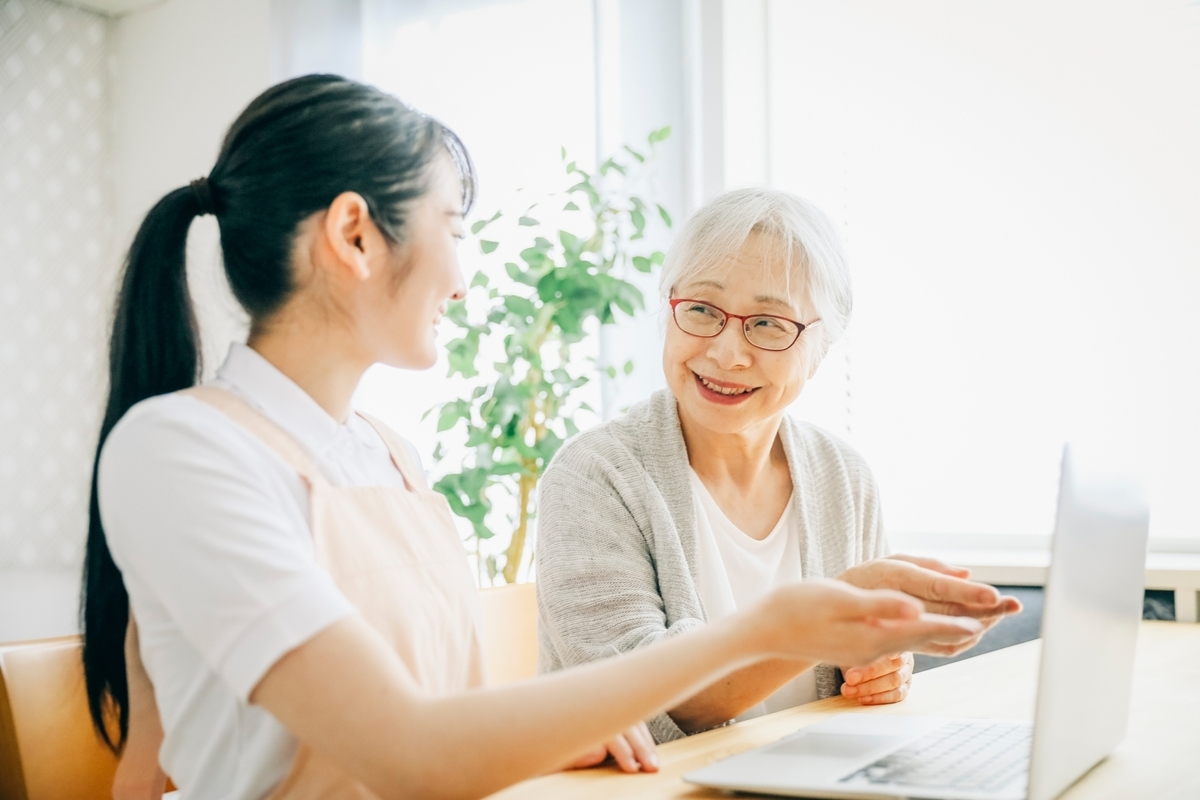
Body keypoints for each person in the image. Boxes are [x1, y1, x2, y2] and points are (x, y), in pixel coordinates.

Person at [82, 75, 992, 800]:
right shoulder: (180, 451)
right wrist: (771, 626)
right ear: (356, 236)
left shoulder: (392, 458)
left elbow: (444, 714)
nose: (466, 279)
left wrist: (556, 722)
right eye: (454, 228)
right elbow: (407, 754)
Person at [536, 188, 1022, 744]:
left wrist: (878, 669)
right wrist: (820, 626)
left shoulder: (844, 478)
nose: (725, 352)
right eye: (701, 309)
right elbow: (634, 702)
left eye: (768, 324)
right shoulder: (595, 477)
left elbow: (850, 678)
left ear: (821, 347)